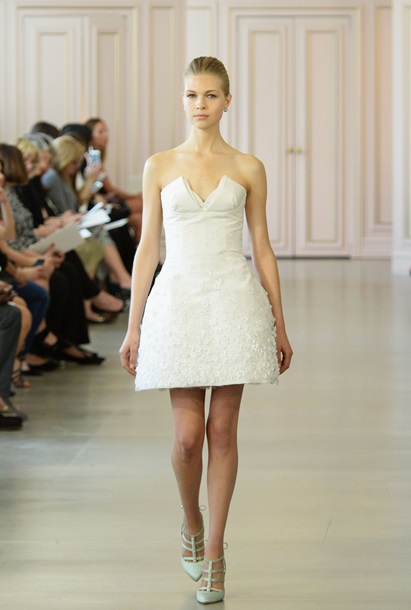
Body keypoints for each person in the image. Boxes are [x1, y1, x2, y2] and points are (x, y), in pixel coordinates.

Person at [119, 56, 293, 605]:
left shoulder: (248, 167)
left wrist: (279, 322)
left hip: (234, 302)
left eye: (211, 95)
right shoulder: (159, 165)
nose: (201, 104)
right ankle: (190, 521)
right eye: (192, 95)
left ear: (227, 101)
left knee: (222, 431)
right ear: (183, 99)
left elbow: (262, 247)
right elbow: (148, 248)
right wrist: (133, 326)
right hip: (178, 304)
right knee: (187, 438)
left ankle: (215, 553)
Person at [85, 117, 143, 243]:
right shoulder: (92, 161)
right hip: (100, 208)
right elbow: (111, 189)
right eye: (100, 132)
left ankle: (138, 252)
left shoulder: (97, 158)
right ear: (90, 135)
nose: (106, 135)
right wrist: (134, 196)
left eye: (106, 131)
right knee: (143, 203)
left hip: (106, 202)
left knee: (139, 218)